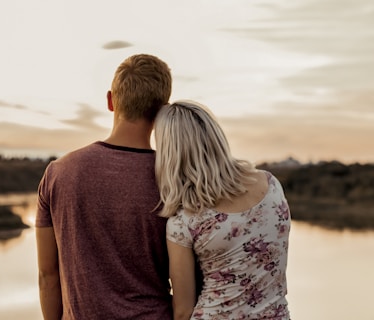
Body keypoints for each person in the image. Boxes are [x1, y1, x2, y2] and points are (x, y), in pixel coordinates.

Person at [36, 54, 173, 320]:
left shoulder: (58, 173)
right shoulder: (174, 178)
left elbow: (47, 275)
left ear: (111, 100)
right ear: (163, 111)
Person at [154, 100, 291, 320]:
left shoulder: (184, 223)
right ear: (215, 136)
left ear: (171, 153)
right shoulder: (271, 185)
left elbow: (183, 311)